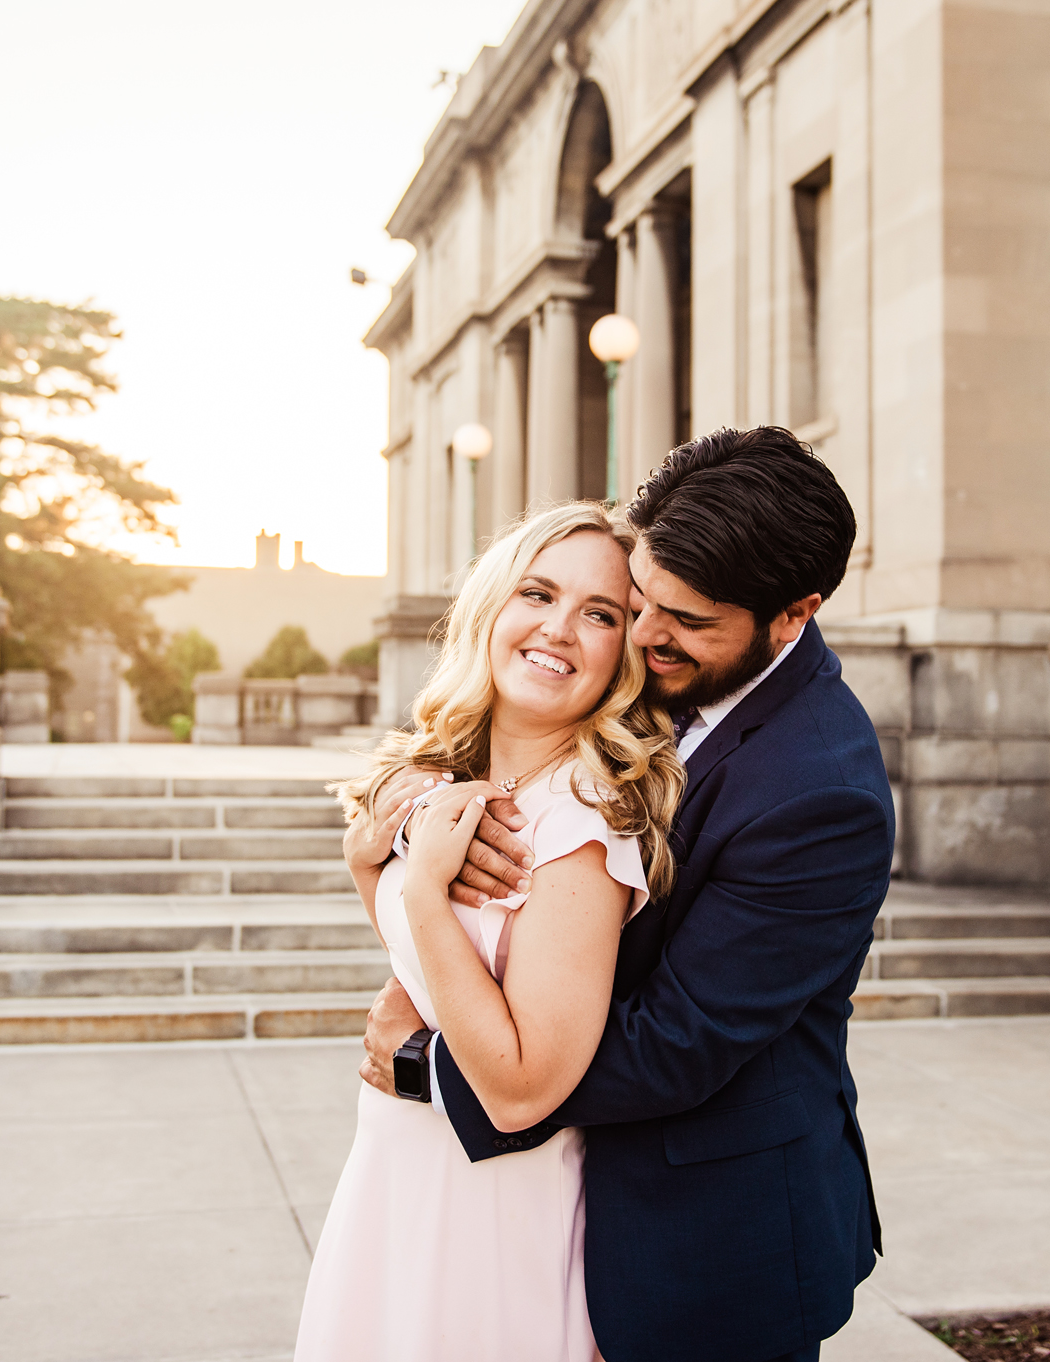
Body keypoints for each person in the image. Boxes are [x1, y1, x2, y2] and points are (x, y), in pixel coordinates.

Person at [361, 426, 896, 1362]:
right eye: (641, 601)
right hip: (547, 1206)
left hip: (704, 1239)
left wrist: (430, 1067)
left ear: (793, 615)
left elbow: (675, 1047)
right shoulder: (650, 680)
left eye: (687, 619)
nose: (647, 637)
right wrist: (406, 822)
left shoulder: (823, 792)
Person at [294, 500, 685, 1362]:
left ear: (625, 651)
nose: (559, 629)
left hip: (492, 1209)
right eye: (538, 593)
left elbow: (520, 1088)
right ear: (492, 605)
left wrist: (426, 890)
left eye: (601, 614)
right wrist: (372, 863)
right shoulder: (448, 779)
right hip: (394, 1175)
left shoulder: (580, 827)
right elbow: (436, 968)